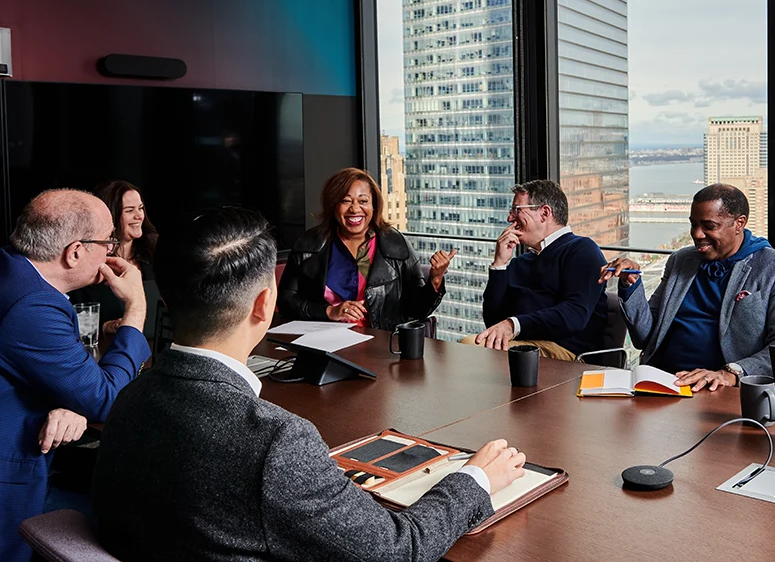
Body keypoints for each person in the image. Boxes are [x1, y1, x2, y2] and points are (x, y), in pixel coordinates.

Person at [93, 207, 527, 562]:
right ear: (266, 304)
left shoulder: (129, 395)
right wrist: (475, 479)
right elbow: (399, 550)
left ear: (167, 301)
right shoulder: (276, 441)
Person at [0, 189, 150, 562]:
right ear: (76, 251)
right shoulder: (33, 306)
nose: (113, 251)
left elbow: (61, 376)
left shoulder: (12, 271)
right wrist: (136, 307)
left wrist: (72, 403)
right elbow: (105, 398)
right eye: (108, 242)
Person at [602, 184, 775, 391]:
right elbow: (645, 337)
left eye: (709, 226)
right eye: (693, 225)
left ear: (739, 223)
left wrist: (731, 373)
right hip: (661, 380)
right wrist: (631, 285)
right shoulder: (681, 260)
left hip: (721, 388)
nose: (697, 234)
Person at [278, 168, 455, 330]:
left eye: (363, 201)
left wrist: (436, 278)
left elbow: (417, 311)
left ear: (374, 206)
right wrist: (329, 311)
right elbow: (286, 302)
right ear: (333, 205)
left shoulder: (395, 243)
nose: (355, 209)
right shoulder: (310, 244)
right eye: (346, 201)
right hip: (322, 342)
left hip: (380, 346)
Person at [465, 180, 608, 361]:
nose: (510, 218)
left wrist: (513, 324)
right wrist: (499, 264)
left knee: (471, 349)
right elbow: (494, 323)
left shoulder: (582, 250)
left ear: (544, 213)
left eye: (517, 210)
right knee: (473, 349)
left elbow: (574, 315)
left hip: (568, 355)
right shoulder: (519, 263)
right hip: (523, 347)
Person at [70, 180, 158, 338]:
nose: (139, 216)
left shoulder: (155, 254)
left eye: (141, 208)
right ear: (110, 216)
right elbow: (75, 319)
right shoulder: (88, 264)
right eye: (130, 210)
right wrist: (104, 326)